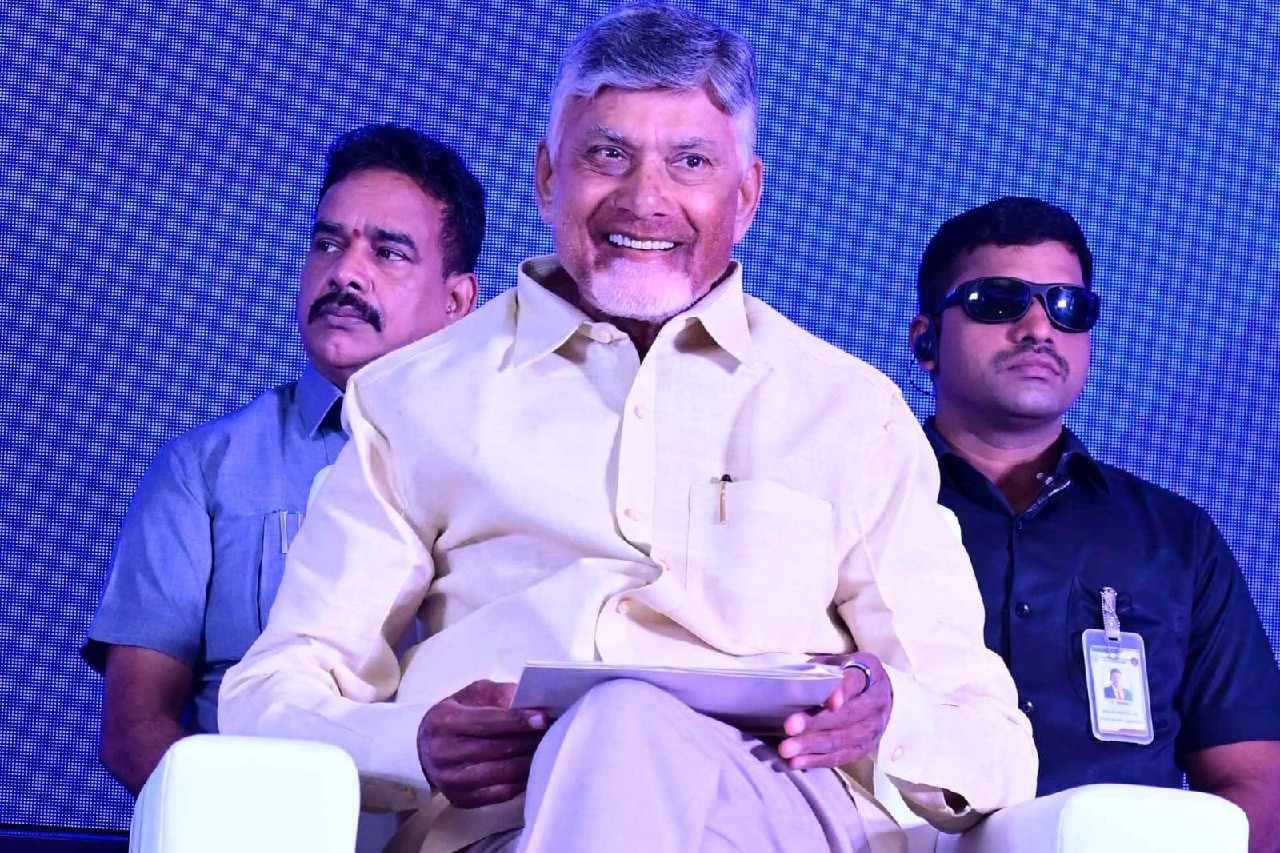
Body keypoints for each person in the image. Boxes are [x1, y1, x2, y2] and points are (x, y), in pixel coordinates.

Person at [220, 7, 1036, 853]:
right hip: (510, 825)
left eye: (691, 162)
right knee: (616, 725)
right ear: (547, 177)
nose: (646, 199)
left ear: (745, 195)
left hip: (777, 816)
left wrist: (886, 714)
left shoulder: (849, 410)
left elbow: (995, 742)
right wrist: (413, 743)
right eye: (607, 155)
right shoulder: (412, 399)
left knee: (625, 720)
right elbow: (269, 693)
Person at [82, 123, 484, 796]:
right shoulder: (206, 470)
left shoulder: (502, 467)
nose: (344, 272)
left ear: (456, 301)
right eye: (327, 243)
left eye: (389, 253)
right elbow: (133, 728)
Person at [907, 195, 1280, 852]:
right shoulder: (861, 508)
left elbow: (1256, 780)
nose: (1038, 327)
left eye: (1067, 307)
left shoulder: (1175, 539)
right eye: (998, 301)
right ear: (926, 340)